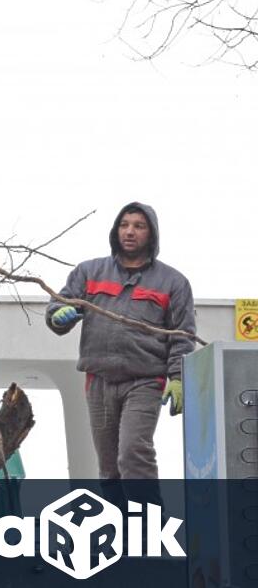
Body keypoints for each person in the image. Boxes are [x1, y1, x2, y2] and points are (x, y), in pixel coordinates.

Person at [46, 202, 195, 485]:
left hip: (145, 381)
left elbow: (182, 334)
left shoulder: (173, 282)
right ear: (116, 231)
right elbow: (58, 305)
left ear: (152, 234)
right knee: (109, 467)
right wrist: (57, 316)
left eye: (139, 226)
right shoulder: (89, 272)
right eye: (124, 225)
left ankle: (148, 525)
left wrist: (178, 378)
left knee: (133, 453)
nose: (130, 232)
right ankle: (118, 526)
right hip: (99, 381)